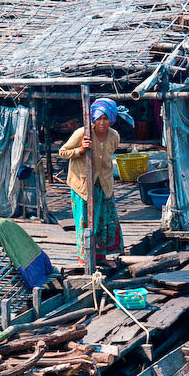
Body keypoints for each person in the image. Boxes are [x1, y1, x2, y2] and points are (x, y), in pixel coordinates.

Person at [59, 98, 134, 267]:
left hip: (104, 184)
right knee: (84, 221)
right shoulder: (82, 133)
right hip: (83, 186)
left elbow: (107, 156)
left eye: (106, 118)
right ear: (93, 118)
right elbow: (62, 152)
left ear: (112, 119)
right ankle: (85, 258)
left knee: (104, 220)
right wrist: (80, 150)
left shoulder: (114, 136)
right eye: (99, 118)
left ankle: (101, 257)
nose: (102, 122)